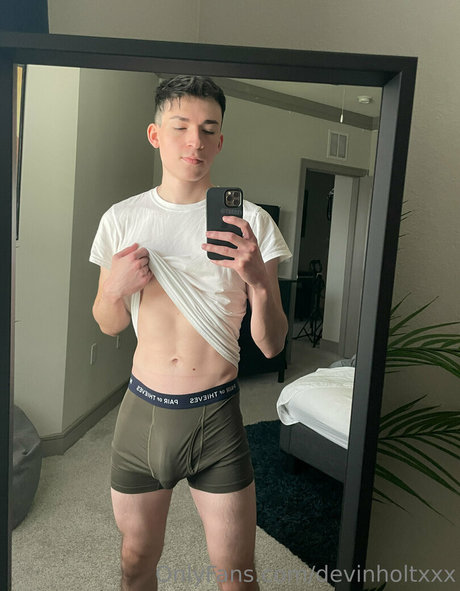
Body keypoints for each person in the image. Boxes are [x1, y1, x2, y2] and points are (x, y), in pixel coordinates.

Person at [90, 75, 291, 591]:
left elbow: (272, 344)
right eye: (180, 127)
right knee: (135, 562)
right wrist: (114, 289)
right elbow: (109, 322)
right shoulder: (121, 219)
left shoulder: (252, 224)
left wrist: (258, 281)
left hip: (217, 418)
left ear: (220, 141)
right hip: (141, 416)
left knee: (237, 575)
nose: (194, 141)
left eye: (208, 129)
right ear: (155, 134)